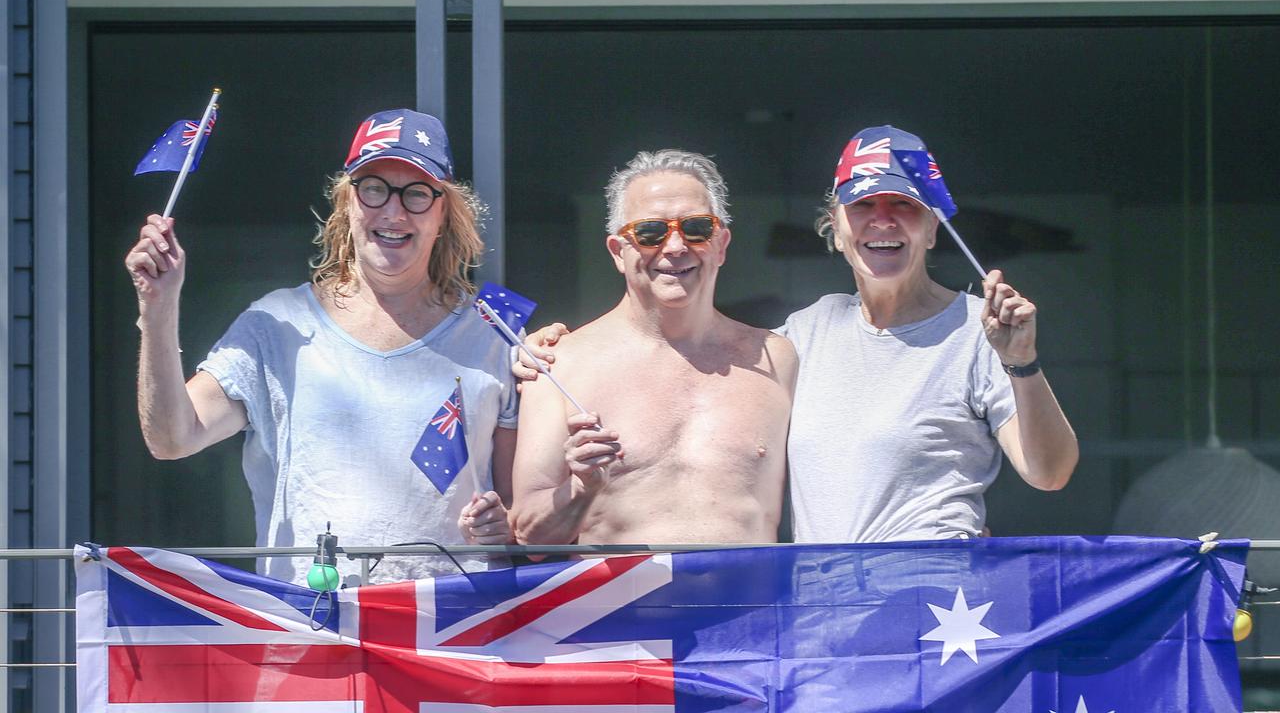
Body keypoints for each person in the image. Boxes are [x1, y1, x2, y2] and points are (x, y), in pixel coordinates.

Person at [516, 127, 1078, 544]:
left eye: (903, 206)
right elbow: (688, 354)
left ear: (933, 227)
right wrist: (543, 349)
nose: (882, 221)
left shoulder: (977, 331)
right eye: (863, 206)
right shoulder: (797, 339)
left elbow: (1050, 473)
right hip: (819, 618)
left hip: (932, 608)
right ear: (834, 226)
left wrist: (1022, 363)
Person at [125, 109, 516, 585]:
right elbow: (172, 438)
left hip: (450, 631)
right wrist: (158, 307)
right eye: (373, 188)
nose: (393, 213)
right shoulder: (277, 323)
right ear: (347, 203)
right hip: (314, 630)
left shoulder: (500, 324)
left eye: (416, 194)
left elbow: (529, 508)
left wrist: (507, 524)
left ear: (443, 213)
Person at [509, 150, 797, 547]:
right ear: (617, 252)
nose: (675, 246)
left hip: (753, 606)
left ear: (722, 244)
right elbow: (529, 535)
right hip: (619, 608)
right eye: (649, 232)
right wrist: (581, 486)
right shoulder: (560, 363)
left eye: (696, 227)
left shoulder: (777, 358)